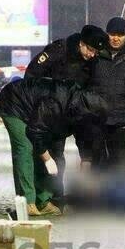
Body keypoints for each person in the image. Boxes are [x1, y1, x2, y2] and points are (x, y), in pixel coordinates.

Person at [0, 77, 106, 217]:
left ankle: (43, 202)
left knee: (47, 152)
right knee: (25, 148)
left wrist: (86, 168)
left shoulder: (85, 113)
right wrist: (47, 159)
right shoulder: (54, 104)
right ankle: (27, 202)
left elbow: (84, 139)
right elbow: (34, 131)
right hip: (14, 103)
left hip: (36, 112)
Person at [25, 24, 109, 197]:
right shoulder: (59, 50)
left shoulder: (93, 61)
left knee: (89, 150)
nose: (92, 55)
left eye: (96, 53)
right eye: (90, 50)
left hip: (74, 112)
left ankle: (62, 197)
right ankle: (49, 196)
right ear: (81, 43)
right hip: (49, 112)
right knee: (53, 153)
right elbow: (32, 74)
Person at [88, 17, 125, 168]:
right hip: (97, 118)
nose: (115, 38)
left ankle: (115, 190)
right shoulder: (96, 53)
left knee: (119, 163)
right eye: (112, 34)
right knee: (97, 162)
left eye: (120, 35)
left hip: (122, 119)